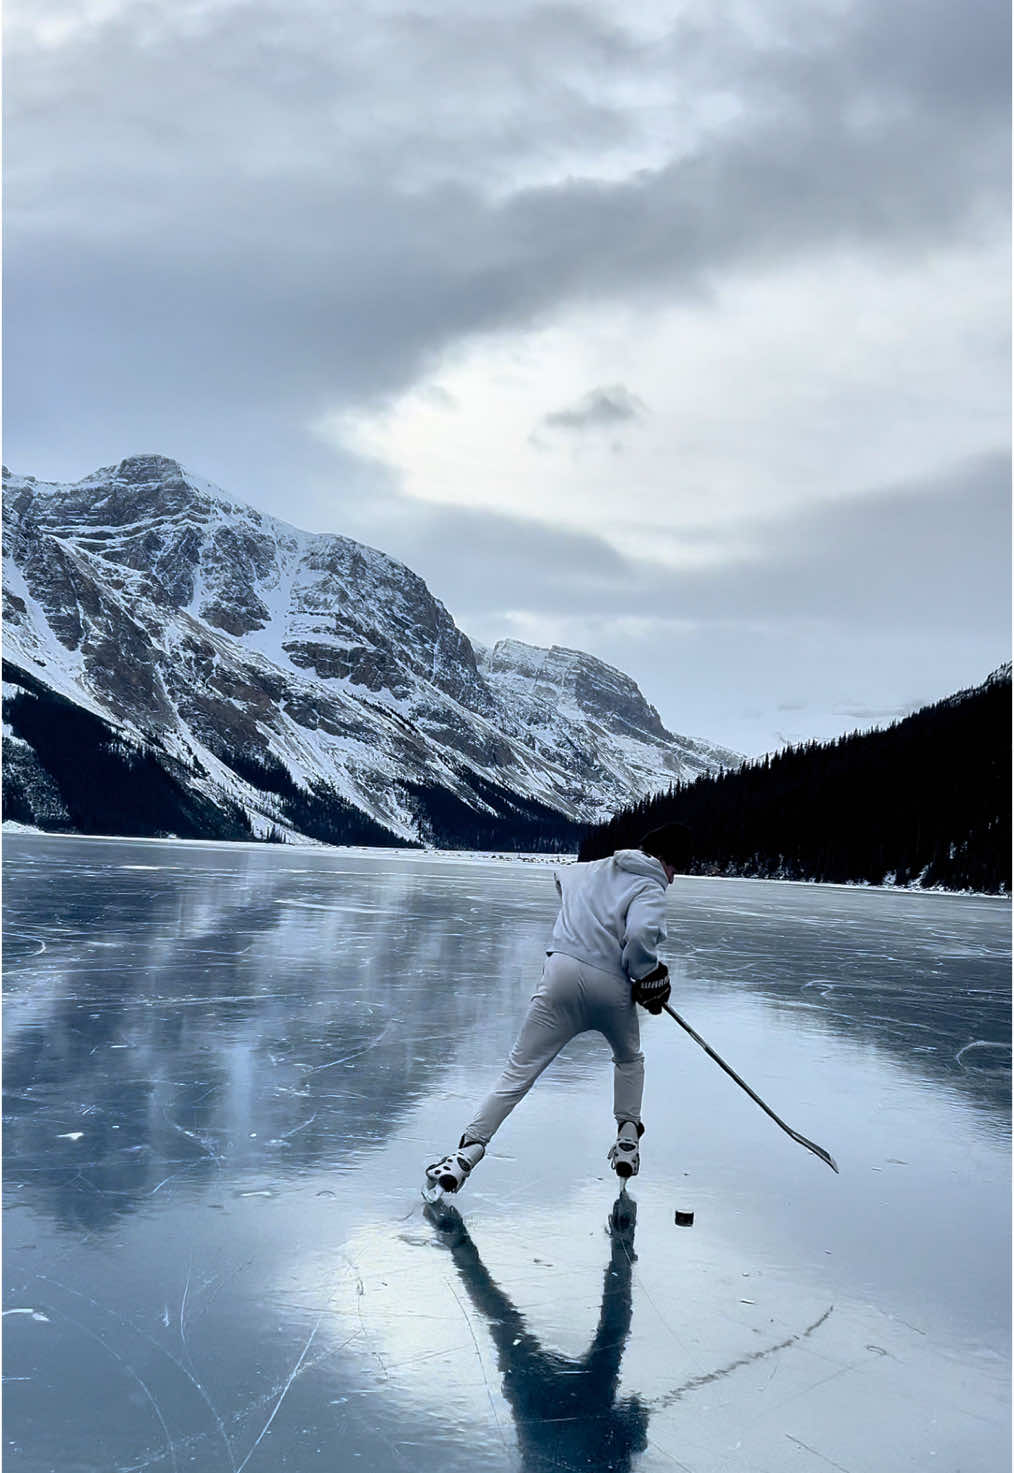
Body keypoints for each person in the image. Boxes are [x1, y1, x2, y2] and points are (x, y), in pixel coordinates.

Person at [425, 821, 693, 1194]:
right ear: (663, 859)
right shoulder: (650, 885)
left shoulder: (586, 870)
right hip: (610, 984)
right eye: (675, 867)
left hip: (559, 976)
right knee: (629, 1058)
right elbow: (639, 939)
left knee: (517, 1072)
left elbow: (560, 879)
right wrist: (649, 975)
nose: (673, 878)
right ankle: (628, 1138)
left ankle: (466, 1153)